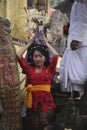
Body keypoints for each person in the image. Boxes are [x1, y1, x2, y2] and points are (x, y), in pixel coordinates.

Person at [16, 34, 58, 130]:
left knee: (46, 126)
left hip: (46, 103)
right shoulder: (29, 69)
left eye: (40, 56)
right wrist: (29, 44)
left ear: (45, 58)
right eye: (35, 56)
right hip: (32, 103)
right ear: (32, 58)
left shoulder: (49, 69)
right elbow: (18, 55)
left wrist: (47, 43)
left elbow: (55, 56)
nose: (38, 59)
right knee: (32, 126)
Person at [60, 1, 87, 97]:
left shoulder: (81, 3)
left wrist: (77, 39)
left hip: (80, 42)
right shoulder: (77, 3)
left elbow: (83, 21)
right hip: (77, 39)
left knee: (78, 73)